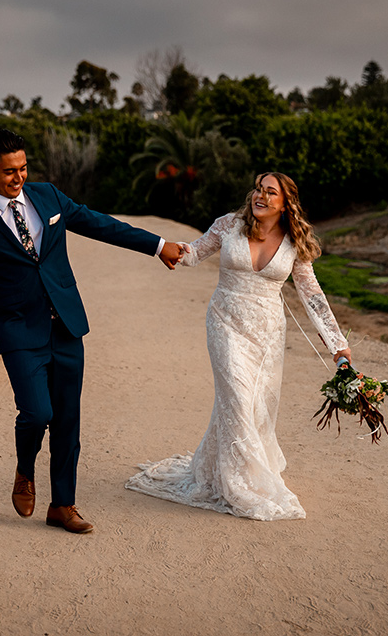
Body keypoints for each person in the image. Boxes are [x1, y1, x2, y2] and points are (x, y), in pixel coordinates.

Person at [0, 128, 184, 534]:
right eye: (8, 171)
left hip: (67, 327)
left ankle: (63, 505)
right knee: (37, 412)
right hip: (20, 331)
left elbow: (99, 224)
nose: (18, 177)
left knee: (67, 420)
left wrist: (156, 244)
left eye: (23, 168)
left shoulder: (49, 196)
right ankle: (25, 469)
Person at [126, 172, 350, 521]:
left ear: (285, 202)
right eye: (259, 188)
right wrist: (164, 248)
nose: (260, 196)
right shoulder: (229, 225)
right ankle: (240, 484)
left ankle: (227, 467)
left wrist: (337, 344)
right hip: (225, 323)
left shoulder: (294, 241)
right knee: (238, 398)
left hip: (268, 334)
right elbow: (194, 253)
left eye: (270, 192)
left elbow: (312, 295)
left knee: (258, 405)